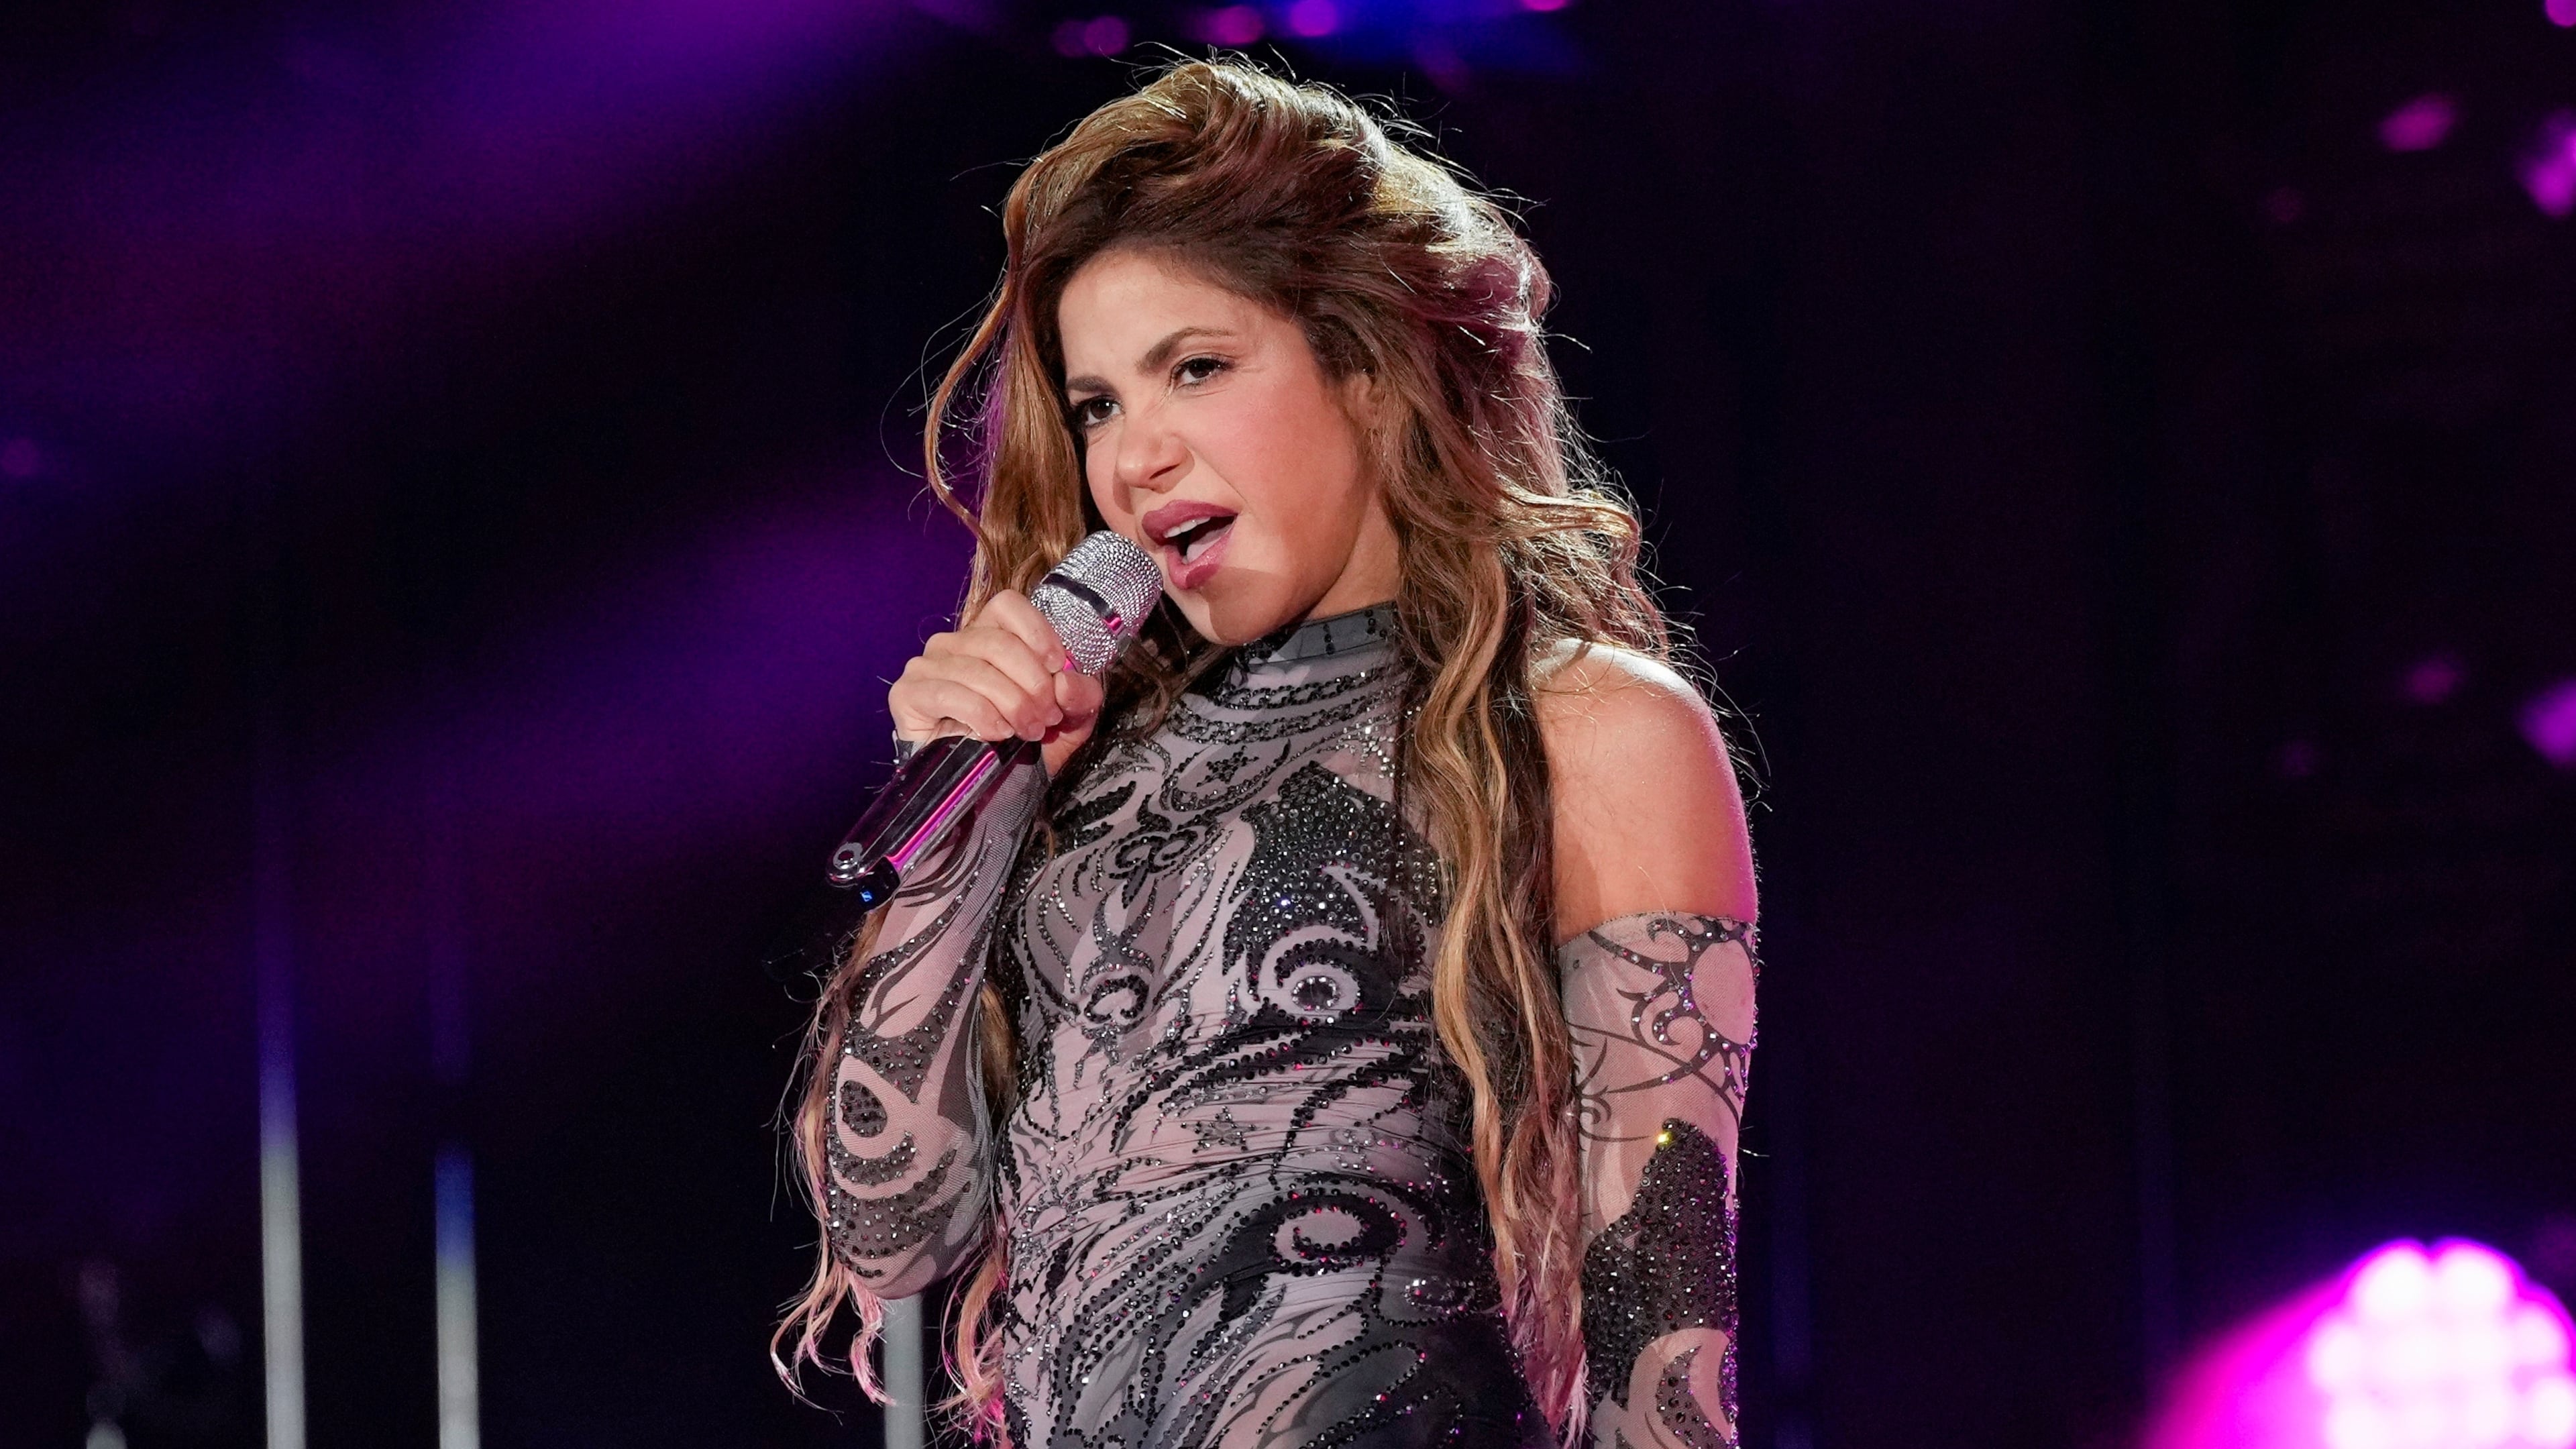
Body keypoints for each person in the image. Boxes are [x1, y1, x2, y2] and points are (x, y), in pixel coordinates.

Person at [776, 60, 1760, 1449]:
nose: (1136, 456)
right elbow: (893, 1241)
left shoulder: (1586, 725)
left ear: (1366, 369)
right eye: (1099, 403)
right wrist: (973, 810)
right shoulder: (1080, 755)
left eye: (1197, 368)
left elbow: (1665, 1330)